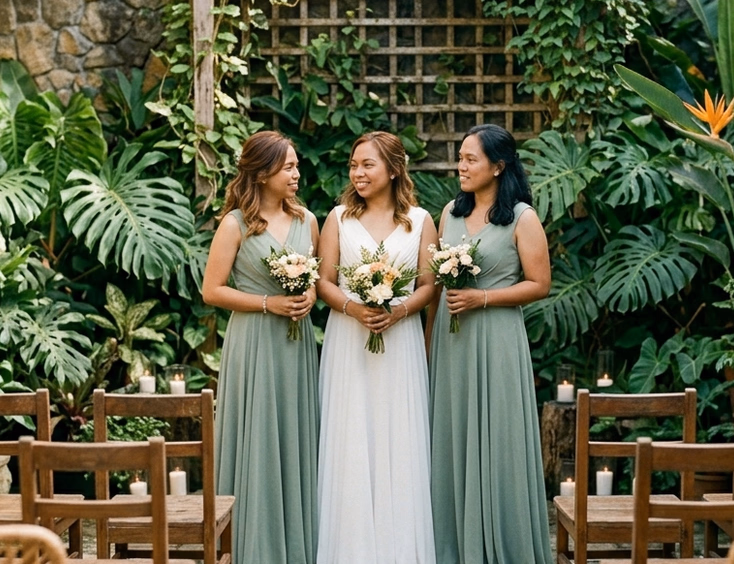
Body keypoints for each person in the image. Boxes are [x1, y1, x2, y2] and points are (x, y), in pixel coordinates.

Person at [427, 124, 553, 564]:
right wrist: (429, 347)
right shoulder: (450, 213)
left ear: (498, 167)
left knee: (498, 436)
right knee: (452, 436)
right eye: (460, 158)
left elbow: (540, 284)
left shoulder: (522, 217)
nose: (461, 166)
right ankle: (454, 546)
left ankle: (503, 543)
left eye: (470, 159)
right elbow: (437, 288)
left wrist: (484, 297)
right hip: (451, 338)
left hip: (497, 338)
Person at [316, 131, 438, 564]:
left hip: (400, 342)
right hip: (348, 342)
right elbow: (323, 283)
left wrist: (399, 311)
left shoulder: (422, 221)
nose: (358, 172)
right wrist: (354, 308)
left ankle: (399, 549)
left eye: (367, 164)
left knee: (399, 436)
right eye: (354, 165)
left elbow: (428, 286)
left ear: (393, 169)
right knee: (349, 435)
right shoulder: (338, 218)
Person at [202, 130, 320, 564]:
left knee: (293, 434)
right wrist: (268, 303)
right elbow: (211, 290)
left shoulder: (308, 220)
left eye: (295, 165)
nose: (296, 173)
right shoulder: (235, 224)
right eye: (288, 166)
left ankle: (296, 542)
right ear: (263, 171)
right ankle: (251, 543)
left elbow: (316, 280)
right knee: (257, 436)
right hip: (253, 342)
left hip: (296, 345)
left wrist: (308, 296)